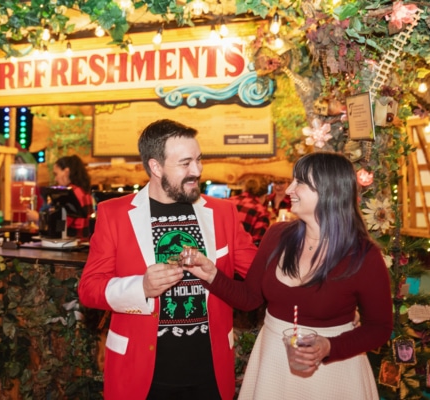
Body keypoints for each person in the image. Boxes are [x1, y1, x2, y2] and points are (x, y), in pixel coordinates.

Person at [186, 152, 393, 399]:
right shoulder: (277, 235)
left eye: (300, 183)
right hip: (273, 362)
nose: (289, 190)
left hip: (333, 372)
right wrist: (211, 275)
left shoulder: (362, 255)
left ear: (329, 191)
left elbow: (379, 327)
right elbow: (250, 298)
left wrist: (329, 346)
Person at [78, 119, 257, 400]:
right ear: (156, 166)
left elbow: (262, 274)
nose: (196, 171)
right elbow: (89, 289)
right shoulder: (113, 214)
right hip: (141, 374)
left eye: (198, 160)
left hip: (209, 370)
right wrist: (142, 288)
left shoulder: (223, 213)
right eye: (185, 163)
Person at [27, 154, 93, 239]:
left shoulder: (69, 193)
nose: (55, 179)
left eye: (56, 174)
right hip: (83, 242)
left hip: (71, 243)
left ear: (66, 172)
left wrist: (38, 218)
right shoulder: (83, 191)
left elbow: (62, 224)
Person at [228, 175, 271, 246]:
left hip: (219, 251)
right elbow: (257, 244)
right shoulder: (261, 212)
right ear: (264, 196)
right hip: (242, 253)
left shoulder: (228, 201)